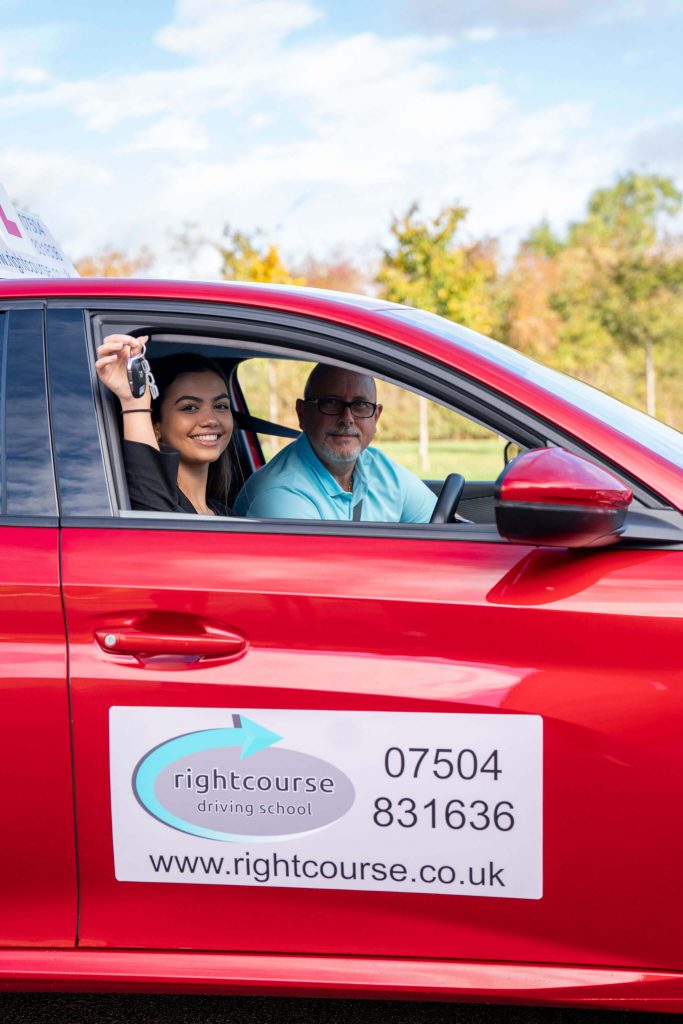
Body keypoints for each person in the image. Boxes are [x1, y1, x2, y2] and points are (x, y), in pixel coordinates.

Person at [233, 363, 437, 522]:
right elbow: (324, 576)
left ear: (376, 417)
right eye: (331, 402)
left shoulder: (381, 470)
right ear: (303, 413)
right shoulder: (278, 496)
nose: (347, 418)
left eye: (361, 405)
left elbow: (449, 526)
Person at [96, 335, 234, 515]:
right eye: (190, 407)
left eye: (220, 406)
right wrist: (134, 403)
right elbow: (151, 499)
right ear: (156, 426)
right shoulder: (157, 508)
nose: (211, 420)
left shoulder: (228, 515)